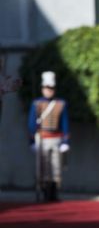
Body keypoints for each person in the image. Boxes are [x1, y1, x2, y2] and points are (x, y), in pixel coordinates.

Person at [28, 71, 70, 202]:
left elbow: (64, 123)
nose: (49, 91)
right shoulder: (37, 104)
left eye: (51, 88)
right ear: (42, 88)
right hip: (42, 139)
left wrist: (65, 141)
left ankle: (54, 192)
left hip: (56, 139)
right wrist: (31, 141)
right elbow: (31, 123)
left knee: (56, 167)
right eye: (47, 88)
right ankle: (45, 191)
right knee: (43, 168)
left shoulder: (60, 103)